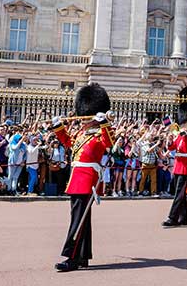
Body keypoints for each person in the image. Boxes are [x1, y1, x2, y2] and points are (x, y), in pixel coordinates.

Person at [53, 83, 114, 272]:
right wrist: (58, 127)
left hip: (87, 180)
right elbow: (68, 142)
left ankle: (71, 257)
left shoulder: (99, 134)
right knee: (82, 220)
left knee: (77, 221)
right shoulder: (81, 133)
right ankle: (82, 257)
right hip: (76, 179)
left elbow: (109, 143)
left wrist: (104, 122)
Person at [163, 102, 187, 227]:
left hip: (186, 167)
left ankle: (172, 217)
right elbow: (173, 147)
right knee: (180, 193)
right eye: (183, 123)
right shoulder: (179, 135)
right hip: (178, 166)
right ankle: (183, 218)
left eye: (185, 123)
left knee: (179, 192)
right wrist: (169, 141)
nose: (183, 126)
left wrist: (185, 136)